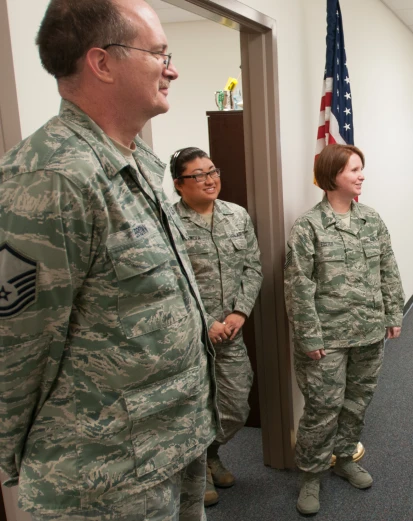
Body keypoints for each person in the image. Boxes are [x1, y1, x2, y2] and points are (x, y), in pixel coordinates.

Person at [0, 0, 218, 519]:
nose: (172, 68)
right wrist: (19, 461)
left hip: (171, 443)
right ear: (102, 63)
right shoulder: (53, 178)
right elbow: (16, 347)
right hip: (105, 476)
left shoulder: (131, 159)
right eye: (159, 53)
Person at [284, 143, 405, 515]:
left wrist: (393, 314)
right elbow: (297, 285)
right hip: (328, 338)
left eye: (361, 169)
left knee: (356, 402)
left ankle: (345, 457)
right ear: (333, 175)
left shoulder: (371, 219)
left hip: (368, 331)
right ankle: (311, 475)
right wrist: (309, 336)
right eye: (354, 169)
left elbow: (388, 267)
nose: (361, 176)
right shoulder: (308, 226)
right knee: (323, 407)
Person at [171, 147, 263, 507]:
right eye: (199, 175)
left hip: (230, 332)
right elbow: (171, 282)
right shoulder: (169, 221)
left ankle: (209, 453)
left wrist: (239, 313)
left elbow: (253, 267)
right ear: (179, 184)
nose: (210, 180)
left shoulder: (236, 216)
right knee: (193, 407)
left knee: (236, 405)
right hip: (189, 335)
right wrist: (205, 322)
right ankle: (199, 471)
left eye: (213, 171)